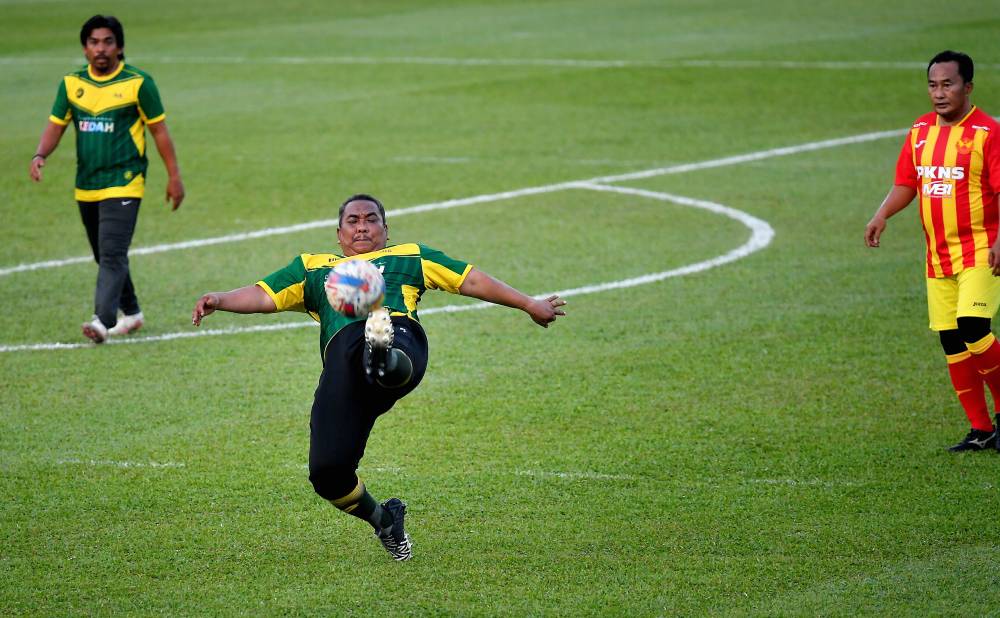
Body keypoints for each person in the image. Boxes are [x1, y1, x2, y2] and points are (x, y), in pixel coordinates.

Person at [191, 194, 566, 561]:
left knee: (379, 344)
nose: (362, 227)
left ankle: (382, 348)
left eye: (371, 219)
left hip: (401, 335)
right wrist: (219, 299)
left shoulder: (409, 256)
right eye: (352, 221)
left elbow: (471, 280)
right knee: (327, 474)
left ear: (386, 230)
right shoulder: (313, 268)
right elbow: (262, 296)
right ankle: (385, 521)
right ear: (338, 233)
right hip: (342, 367)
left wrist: (528, 303)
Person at [865, 50, 1000, 452]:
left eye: (948, 84)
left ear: (968, 87)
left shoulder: (988, 134)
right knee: (951, 341)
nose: (939, 93)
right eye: (933, 85)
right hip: (937, 256)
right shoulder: (921, 131)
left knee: (974, 330)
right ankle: (981, 430)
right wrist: (882, 213)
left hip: (980, 251)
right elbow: (908, 181)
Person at [29, 14, 185, 344]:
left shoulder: (138, 83)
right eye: (94, 42)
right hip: (87, 183)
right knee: (104, 255)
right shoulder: (72, 85)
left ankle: (102, 320)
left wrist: (174, 176)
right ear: (85, 49)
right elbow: (56, 124)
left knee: (112, 253)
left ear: (120, 47)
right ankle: (133, 312)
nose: (101, 48)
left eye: (108, 41)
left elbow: (159, 130)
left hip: (125, 180)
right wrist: (40, 154)